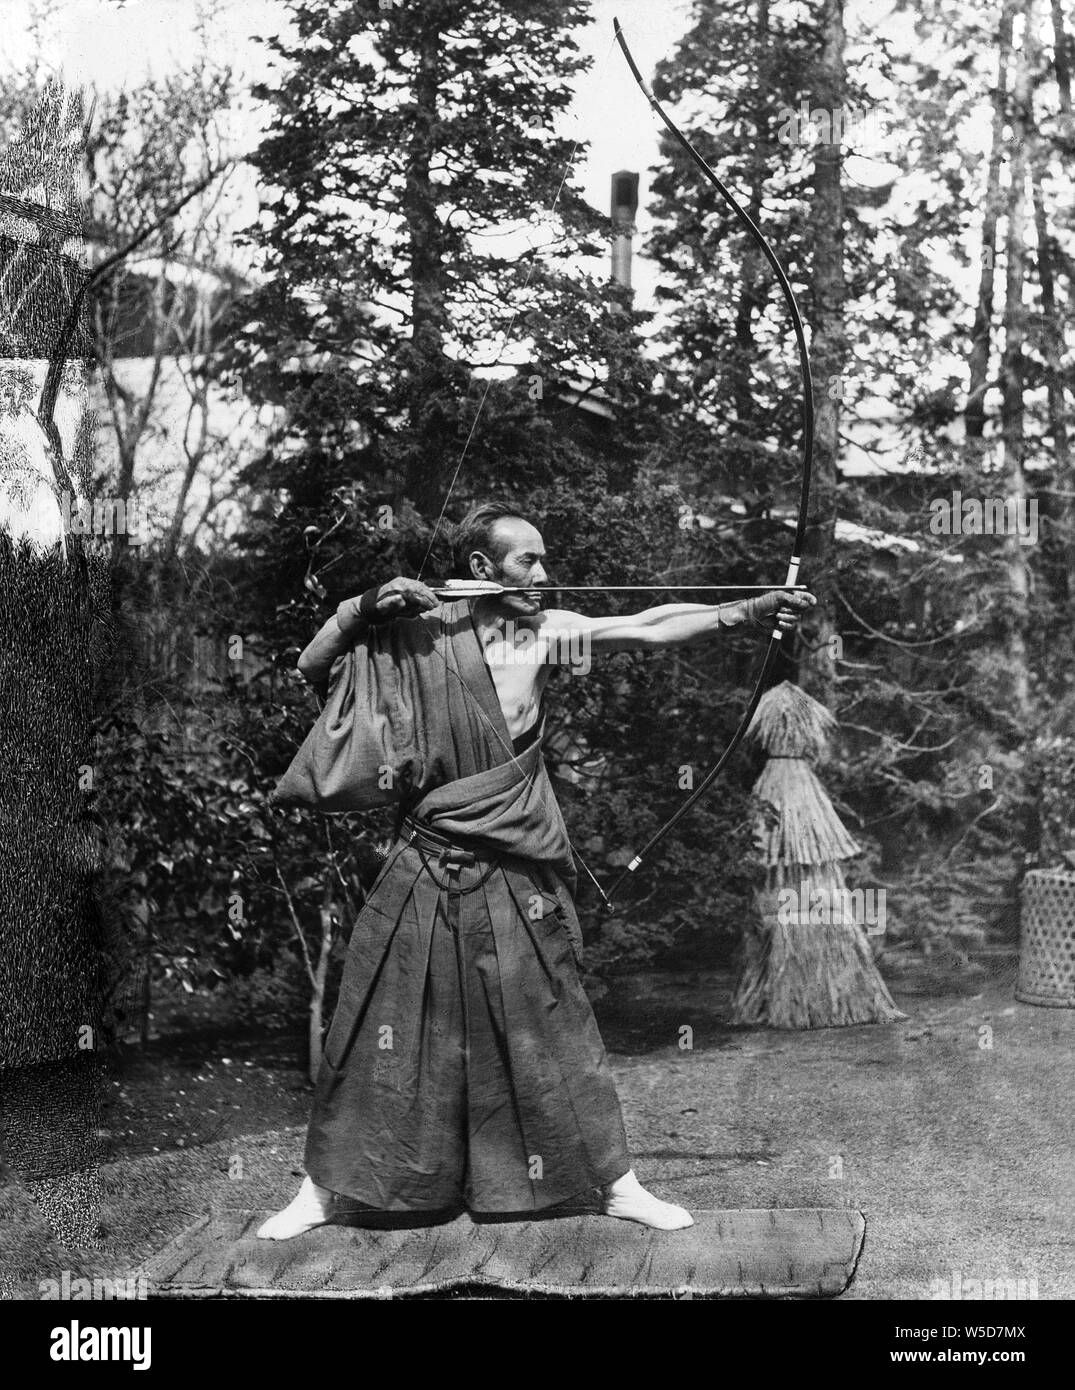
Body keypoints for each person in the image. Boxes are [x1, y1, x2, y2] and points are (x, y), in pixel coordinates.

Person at [258, 501, 815, 1239]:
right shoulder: (415, 635)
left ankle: (614, 1183)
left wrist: (748, 610)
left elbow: (644, 625)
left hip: (514, 874)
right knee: (377, 1025)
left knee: (553, 1028)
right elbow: (314, 665)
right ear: (481, 568)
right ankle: (325, 1192)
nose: (544, 574)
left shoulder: (546, 638)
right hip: (424, 867)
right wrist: (360, 606)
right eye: (529, 560)